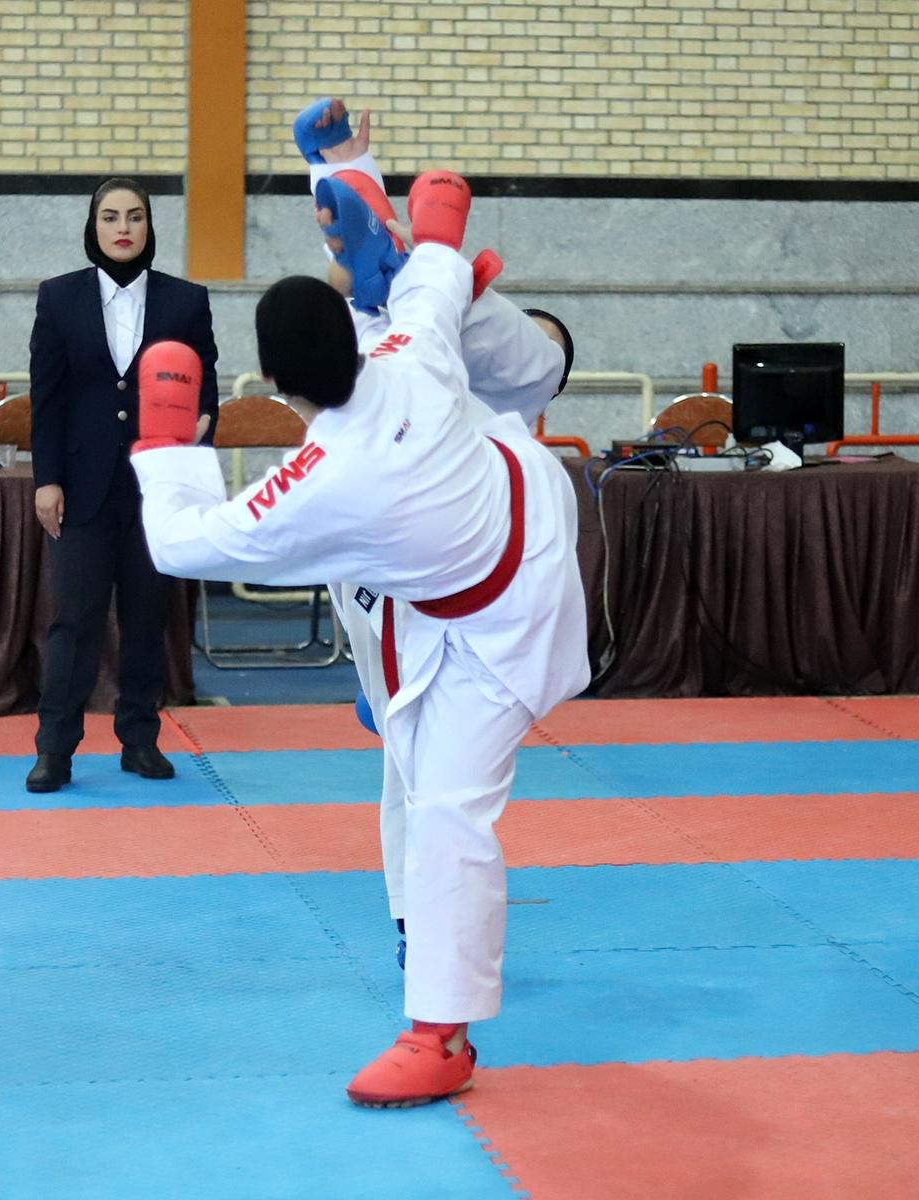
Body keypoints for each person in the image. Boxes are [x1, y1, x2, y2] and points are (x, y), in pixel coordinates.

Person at [130, 173, 589, 1108]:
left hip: (505, 618)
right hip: (521, 499)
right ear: (354, 336)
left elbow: (177, 545)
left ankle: (439, 1037)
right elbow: (438, 278)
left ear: (272, 385)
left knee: (448, 812)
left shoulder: (322, 481)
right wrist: (413, 218)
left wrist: (167, 445)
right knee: (450, 327)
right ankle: (385, 255)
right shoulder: (408, 350)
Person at [299, 97, 579, 971]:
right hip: (397, 545)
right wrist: (344, 176)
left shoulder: (497, 392)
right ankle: (418, 924)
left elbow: (519, 358)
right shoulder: (441, 358)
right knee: (421, 765)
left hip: (416, 534)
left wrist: (343, 175)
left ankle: (369, 212)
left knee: (423, 327)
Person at [23, 177, 220, 794]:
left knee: (146, 618)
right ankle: (54, 748)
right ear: (94, 227)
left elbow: (206, 388)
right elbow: (47, 399)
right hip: (82, 487)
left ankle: (140, 740)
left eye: (134, 216)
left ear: (149, 225)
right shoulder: (59, 298)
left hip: (156, 487)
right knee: (75, 621)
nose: (123, 227)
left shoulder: (186, 301)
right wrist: (47, 480)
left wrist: (203, 426)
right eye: (110, 217)